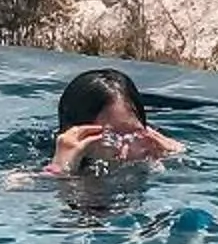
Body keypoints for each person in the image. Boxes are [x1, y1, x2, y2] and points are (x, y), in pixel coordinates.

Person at [46, 67, 185, 175]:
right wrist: (61, 170)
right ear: (76, 138)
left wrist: (177, 162)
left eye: (133, 135)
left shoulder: (152, 165)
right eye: (111, 138)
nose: (124, 153)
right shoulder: (29, 179)